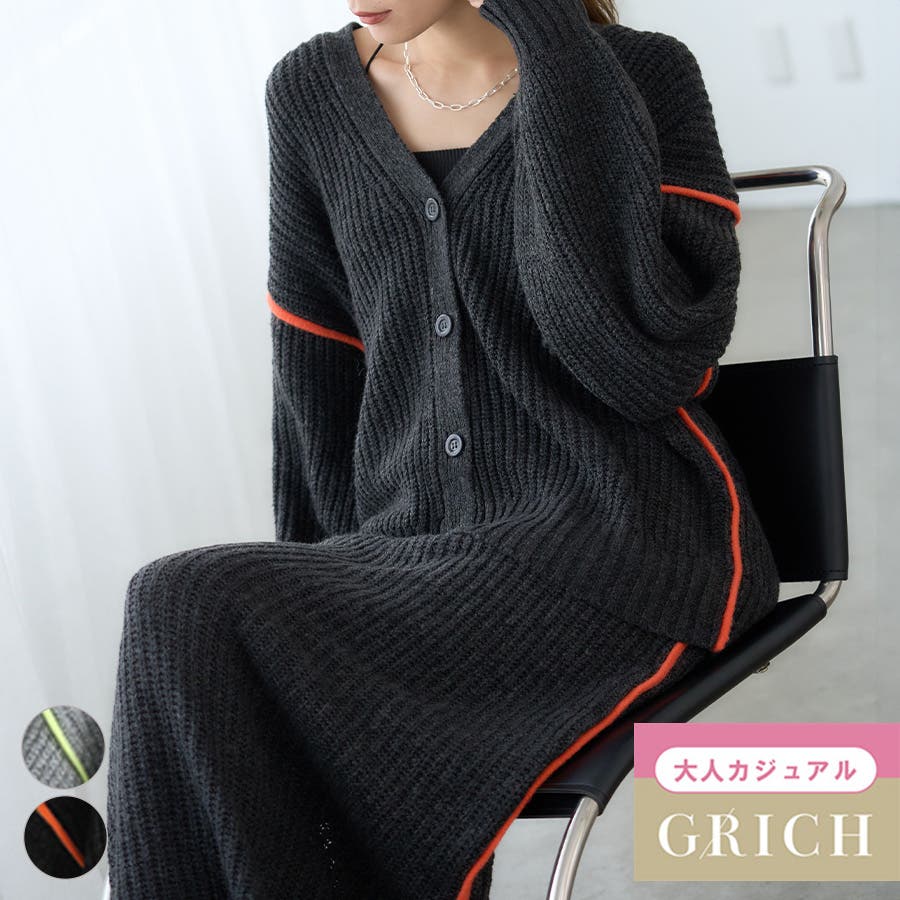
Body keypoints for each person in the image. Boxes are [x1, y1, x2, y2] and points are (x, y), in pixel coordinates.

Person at [106, 1, 782, 898]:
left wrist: (552, 45)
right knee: (178, 600)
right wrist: (330, 576)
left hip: (613, 541)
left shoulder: (641, 73)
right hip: (416, 549)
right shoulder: (311, 92)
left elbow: (642, 369)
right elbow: (315, 365)